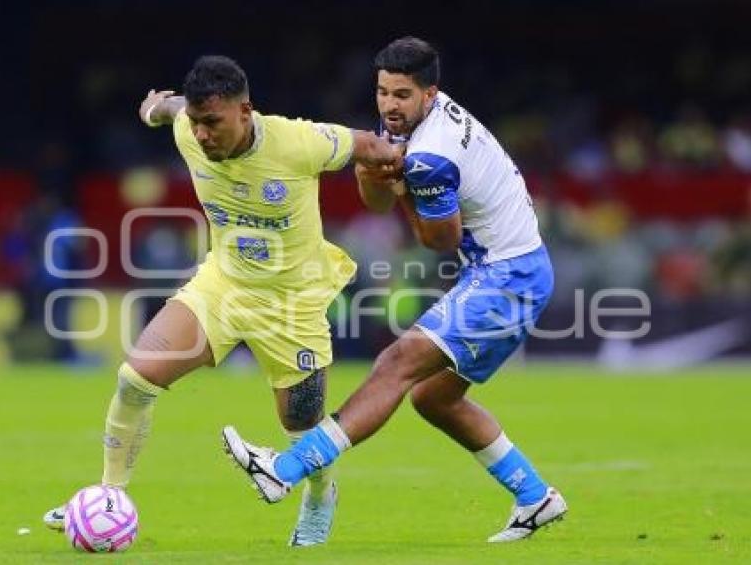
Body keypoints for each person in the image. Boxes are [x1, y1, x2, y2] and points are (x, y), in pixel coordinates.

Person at [43, 55, 403, 546]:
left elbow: (364, 145)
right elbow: (168, 110)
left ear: (245, 111)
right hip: (223, 287)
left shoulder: (299, 142)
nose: (204, 134)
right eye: (197, 122)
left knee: (303, 428)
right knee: (134, 380)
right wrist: (155, 109)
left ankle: (321, 496)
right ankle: (107, 497)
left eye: (213, 122)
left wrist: (402, 163)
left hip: (291, 305)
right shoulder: (187, 128)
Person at [223, 37, 568, 543]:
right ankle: (536, 496)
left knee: (396, 362)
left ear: (431, 94)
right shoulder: (409, 125)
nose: (389, 104)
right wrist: (372, 170)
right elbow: (377, 202)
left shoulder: (432, 156)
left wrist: (402, 183)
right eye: (383, 92)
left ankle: (288, 468)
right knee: (433, 399)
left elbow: (439, 241)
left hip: (508, 275)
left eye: (402, 94)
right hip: (500, 270)